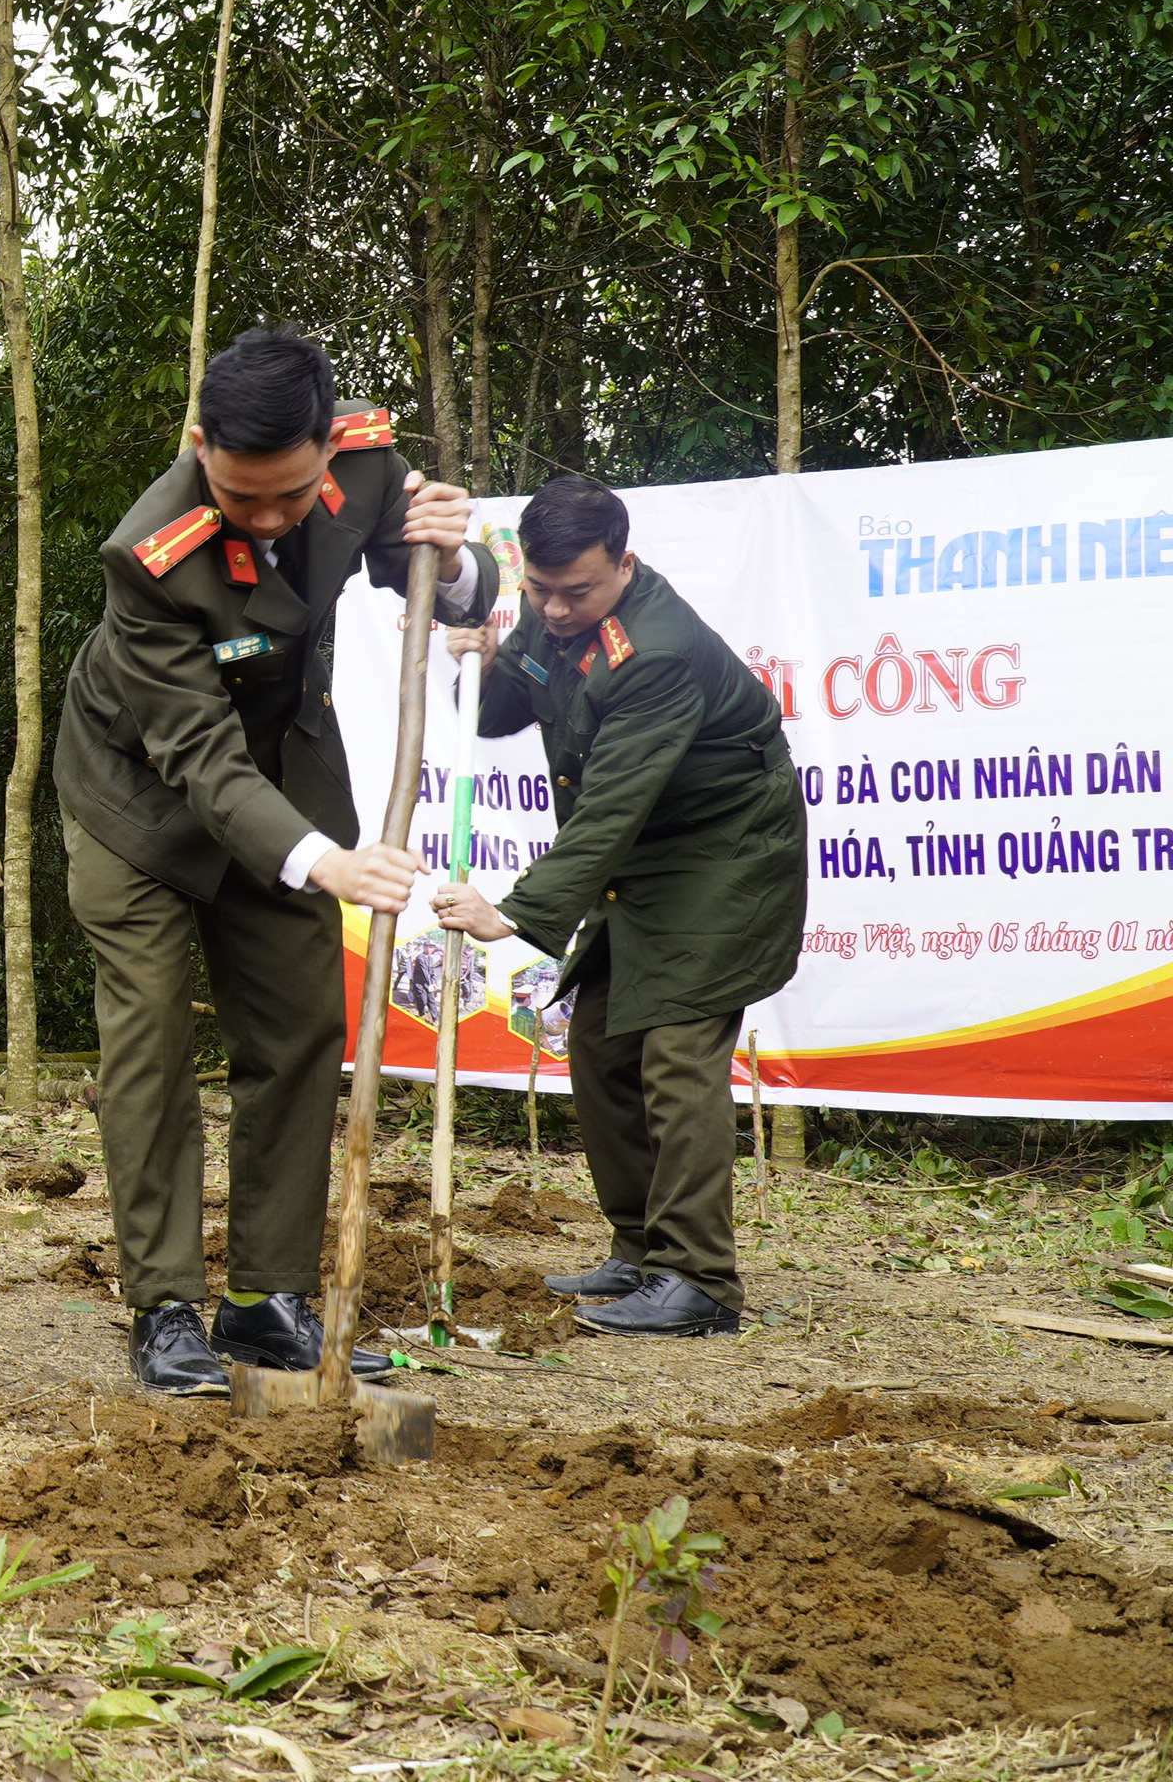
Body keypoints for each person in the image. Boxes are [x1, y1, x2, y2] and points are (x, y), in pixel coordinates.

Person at [53, 325, 495, 1396]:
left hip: (284, 767)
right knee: (150, 1035)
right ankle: (163, 1308)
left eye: (286, 496)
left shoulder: (367, 464)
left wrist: (462, 555)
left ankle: (264, 1298)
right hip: (141, 799)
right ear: (199, 443)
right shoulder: (145, 555)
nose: (263, 516)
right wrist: (320, 861)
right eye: (237, 495)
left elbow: (440, 586)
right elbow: (198, 757)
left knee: (300, 1025)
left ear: (321, 451)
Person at [433, 475, 804, 1338]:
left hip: (721, 855)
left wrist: (518, 914)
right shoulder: (549, 610)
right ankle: (640, 1250)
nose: (556, 610)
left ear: (624, 565)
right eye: (541, 590)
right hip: (641, 861)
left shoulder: (659, 651)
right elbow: (505, 709)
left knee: (674, 1050)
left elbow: (611, 807)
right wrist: (484, 666)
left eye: (578, 592)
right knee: (600, 1044)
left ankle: (700, 1280)